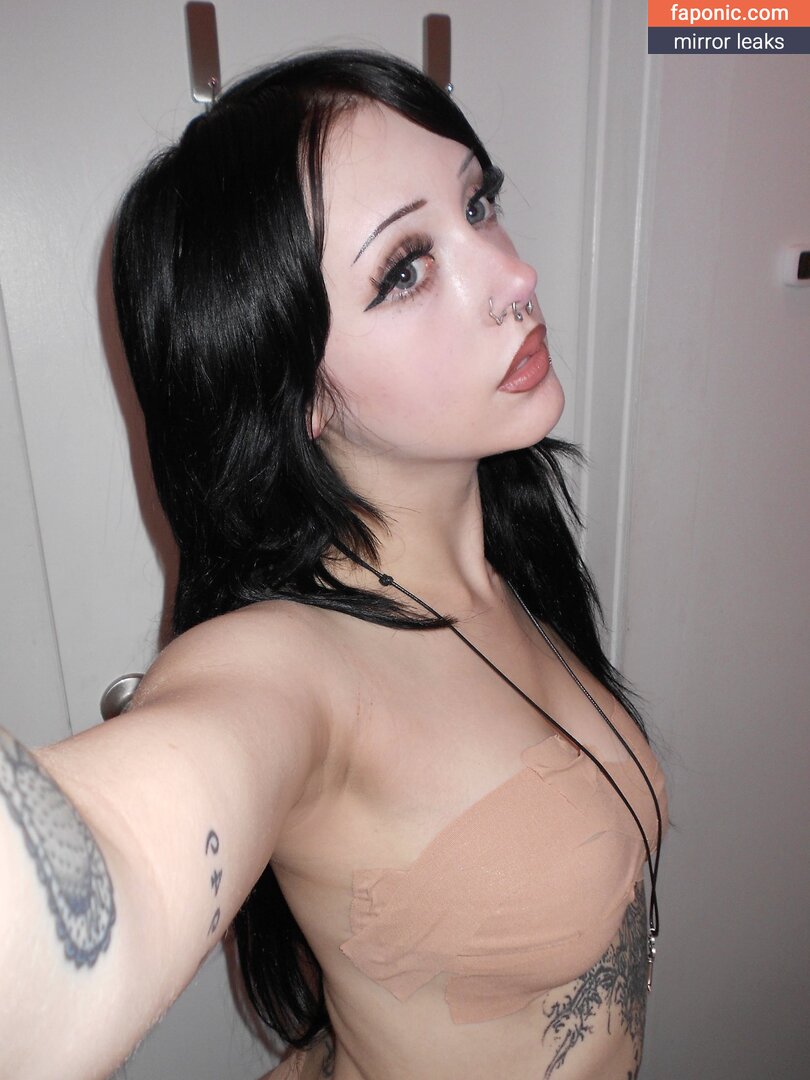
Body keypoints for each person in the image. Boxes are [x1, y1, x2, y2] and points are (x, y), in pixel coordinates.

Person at [0, 49, 667, 1080]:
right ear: (298, 391)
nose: (516, 279)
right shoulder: (297, 665)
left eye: (478, 205)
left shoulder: (512, 553)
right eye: (405, 269)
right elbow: (110, 860)